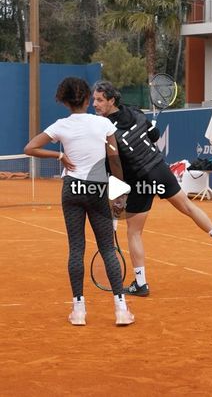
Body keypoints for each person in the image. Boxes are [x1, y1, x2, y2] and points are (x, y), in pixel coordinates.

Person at [92, 80, 212, 297]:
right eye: (94, 99)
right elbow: (155, 135)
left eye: (100, 100)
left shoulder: (104, 128)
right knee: (188, 206)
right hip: (159, 169)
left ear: (112, 101)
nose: (95, 104)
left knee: (134, 232)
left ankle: (141, 284)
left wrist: (117, 193)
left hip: (140, 179)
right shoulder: (136, 112)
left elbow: (113, 164)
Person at [24, 77, 134, 325]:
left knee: (76, 249)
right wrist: (120, 192)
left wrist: (60, 155)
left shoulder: (60, 126)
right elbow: (114, 160)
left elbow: (30, 148)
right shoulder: (103, 123)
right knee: (108, 249)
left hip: (71, 190)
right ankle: (121, 310)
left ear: (64, 100)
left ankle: (79, 311)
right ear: (86, 98)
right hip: (98, 189)